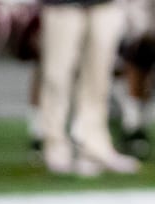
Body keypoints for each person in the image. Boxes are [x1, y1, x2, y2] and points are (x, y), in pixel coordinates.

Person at [38, 0, 140, 175]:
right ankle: (55, 146)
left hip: (105, 5)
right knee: (57, 77)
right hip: (61, 5)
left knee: (99, 78)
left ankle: (94, 147)